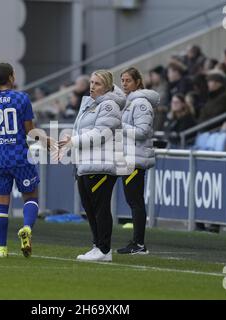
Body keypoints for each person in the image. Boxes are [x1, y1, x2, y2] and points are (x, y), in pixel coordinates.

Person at [0, 62, 54, 258]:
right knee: (31, 197)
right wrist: (46, 140)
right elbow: (30, 131)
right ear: (11, 77)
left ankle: (2, 249)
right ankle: (26, 228)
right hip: (20, 156)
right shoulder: (22, 98)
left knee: (1, 205)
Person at [58, 70, 125, 262]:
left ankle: (104, 249)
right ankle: (97, 246)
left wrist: (74, 141)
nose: (92, 86)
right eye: (92, 82)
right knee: (89, 207)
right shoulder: (90, 104)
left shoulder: (109, 106)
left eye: (97, 84)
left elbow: (100, 133)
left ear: (107, 87)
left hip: (102, 163)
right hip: (87, 163)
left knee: (100, 207)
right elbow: (83, 129)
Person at [116, 67, 159, 255]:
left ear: (137, 82)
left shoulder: (141, 103)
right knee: (132, 200)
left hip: (136, 157)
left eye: (128, 81)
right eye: (123, 80)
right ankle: (137, 241)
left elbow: (142, 132)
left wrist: (120, 125)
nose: (124, 84)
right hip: (129, 157)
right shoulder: (128, 103)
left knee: (135, 201)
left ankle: (139, 243)